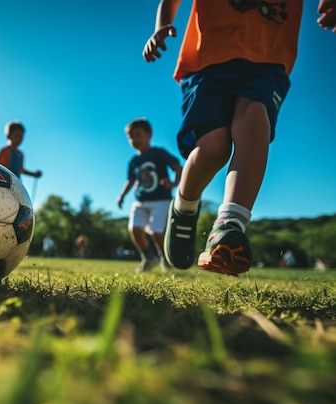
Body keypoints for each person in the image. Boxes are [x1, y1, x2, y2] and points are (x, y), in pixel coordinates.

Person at [143, 0, 336, 275]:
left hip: (268, 60)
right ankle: (184, 207)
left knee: (255, 116)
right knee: (214, 148)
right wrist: (162, 25)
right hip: (208, 57)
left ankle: (230, 225)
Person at [117, 118, 182, 274]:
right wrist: (122, 196)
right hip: (140, 201)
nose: (134, 140)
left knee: (156, 232)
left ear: (149, 134)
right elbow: (131, 181)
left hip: (161, 200)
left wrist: (173, 184)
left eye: (138, 135)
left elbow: (178, 167)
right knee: (134, 229)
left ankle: (164, 258)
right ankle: (148, 257)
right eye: (130, 137)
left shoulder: (158, 153)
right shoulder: (133, 161)